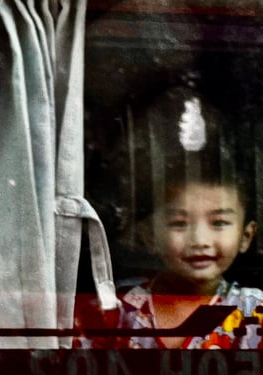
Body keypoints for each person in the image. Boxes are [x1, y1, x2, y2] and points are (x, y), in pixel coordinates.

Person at [77, 86, 263, 349]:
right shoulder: (115, 306)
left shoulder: (254, 314)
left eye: (219, 223)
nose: (199, 240)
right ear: (150, 235)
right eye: (179, 223)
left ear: (246, 236)